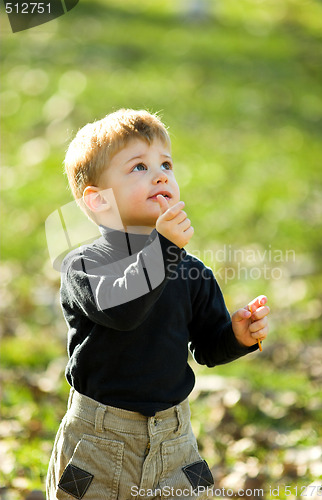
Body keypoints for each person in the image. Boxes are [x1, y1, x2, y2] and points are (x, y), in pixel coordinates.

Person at [46, 109, 270, 500]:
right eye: (138, 167)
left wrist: (236, 336)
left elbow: (207, 348)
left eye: (166, 164)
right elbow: (122, 311)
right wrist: (164, 248)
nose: (161, 174)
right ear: (98, 201)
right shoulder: (84, 266)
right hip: (99, 442)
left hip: (174, 440)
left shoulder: (189, 271)